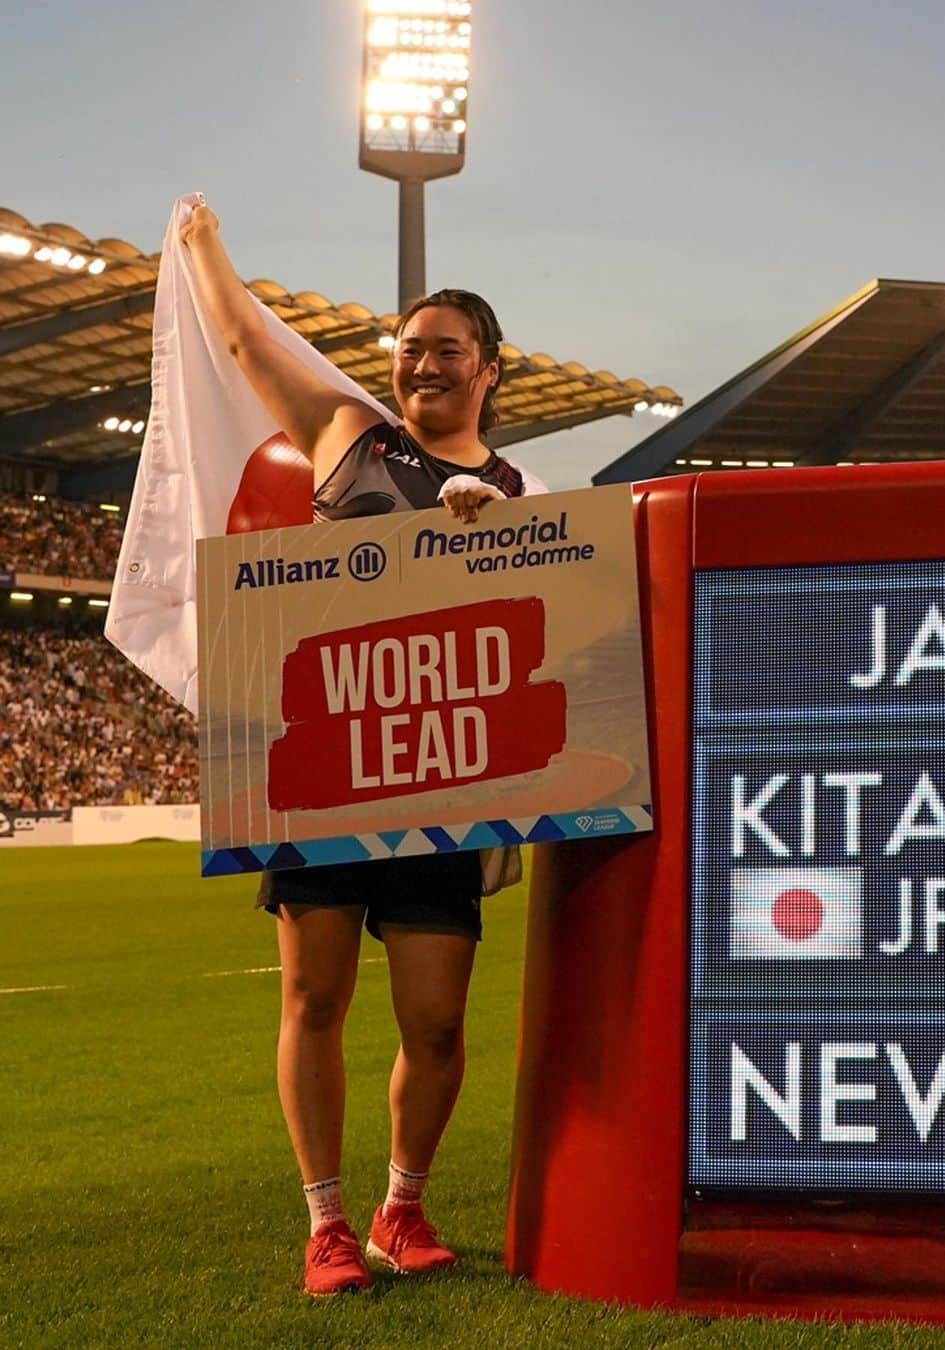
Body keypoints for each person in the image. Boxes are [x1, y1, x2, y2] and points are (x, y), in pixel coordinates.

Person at [181, 204, 545, 1296]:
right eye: (407, 348)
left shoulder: (523, 496)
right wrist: (200, 244)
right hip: (325, 766)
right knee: (314, 998)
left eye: (444, 350)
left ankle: (404, 1207)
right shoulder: (351, 436)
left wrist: (492, 537)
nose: (420, 362)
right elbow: (246, 343)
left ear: (488, 369)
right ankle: (328, 1225)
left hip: (443, 777)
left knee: (436, 1018)